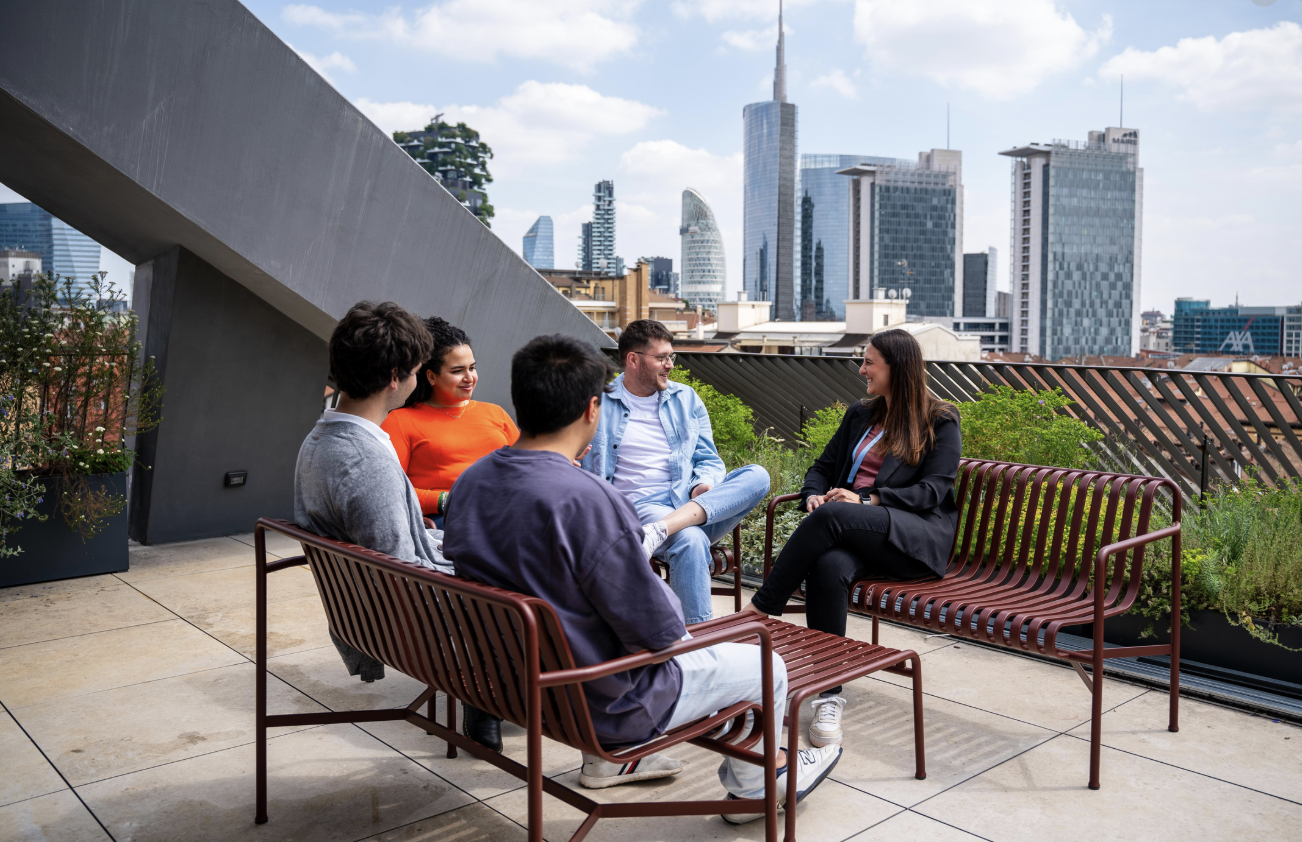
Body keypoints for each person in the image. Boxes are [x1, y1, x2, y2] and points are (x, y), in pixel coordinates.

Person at [444, 334, 841, 817]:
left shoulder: (471, 483)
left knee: (682, 565)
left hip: (511, 684)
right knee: (765, 664)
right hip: (601, 703)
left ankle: (743, 769)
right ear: (593, 409)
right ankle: (758, 786)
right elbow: (661, 633)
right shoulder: (588, 501)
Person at [742, 329, 961, 751]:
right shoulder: (861, 414)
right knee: (829, 567)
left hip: (911, 539)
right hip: (856, 533)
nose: (862, 370)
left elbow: (932, 492)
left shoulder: (940, 420)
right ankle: (829, 693)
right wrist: (813, 495)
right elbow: (822, 467)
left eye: (869, 362)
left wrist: (865, 499)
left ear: (897, 368)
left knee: (836, 514)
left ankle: (760, 610)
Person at [293, 301, 448, 683]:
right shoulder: (365, 461)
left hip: (363, 617)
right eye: (416, 372)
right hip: (411, 626)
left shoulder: (319, 440)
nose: (416, 382)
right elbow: (403, 576)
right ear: (395, 377)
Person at [580, 319, 769, 625]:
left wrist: (704, 483)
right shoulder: (598, 402)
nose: (670, 365)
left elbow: (709, 459)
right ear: (633, 360)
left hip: (691, 505)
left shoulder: (686, 398)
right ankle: (698, 641)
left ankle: (663, 530)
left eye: (671, 357)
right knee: (691, 540)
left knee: (758, 475)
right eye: (662, 358)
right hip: (638, 510)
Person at [382, 317, 519, 528]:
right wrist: (446, 500)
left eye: (472, 368)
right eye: (457, 371)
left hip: (505, 513)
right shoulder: (401, 420)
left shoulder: (496, 413)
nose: (469, 377)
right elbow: (388, 489)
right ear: (431, 377)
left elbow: (526, 465)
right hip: (448, 520)